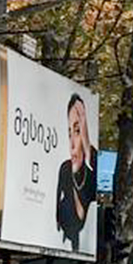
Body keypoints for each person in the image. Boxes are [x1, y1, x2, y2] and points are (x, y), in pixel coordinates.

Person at [55, 93, 98, 252]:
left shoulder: (91, 177)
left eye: (78, 130)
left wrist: (86, 144)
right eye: (69, 133)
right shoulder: (64, 170)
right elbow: (57, 198)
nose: (72, 143)